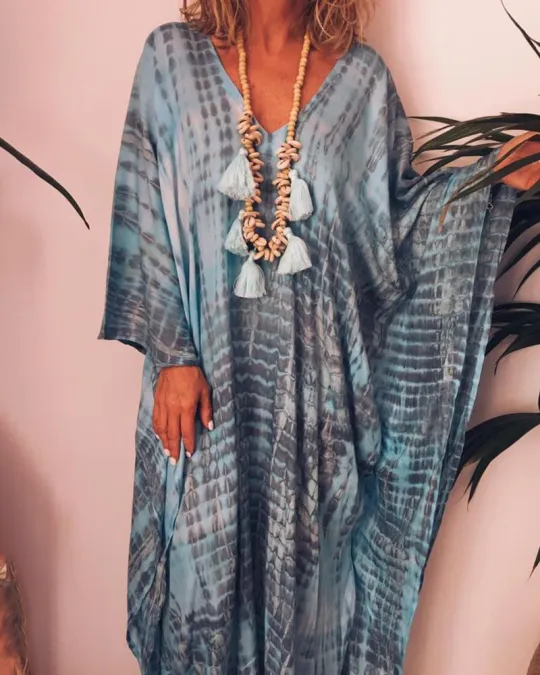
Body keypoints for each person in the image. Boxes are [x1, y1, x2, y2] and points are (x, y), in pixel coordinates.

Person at [99, 1, 540, 673]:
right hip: (205, 407)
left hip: (315, 426)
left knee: (307, 623)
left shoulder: (362, 84)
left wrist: (487, 180)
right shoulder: (170, 61)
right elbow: (144, 216)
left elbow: (398, 238)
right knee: (195, 606)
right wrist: (173, 355)